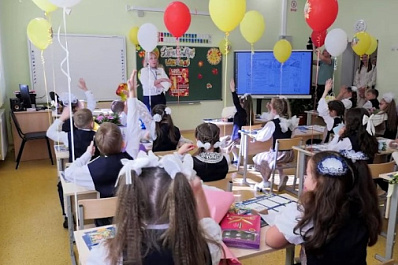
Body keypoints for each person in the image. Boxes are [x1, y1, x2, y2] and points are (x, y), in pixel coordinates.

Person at [86, 152, 222, 265]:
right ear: (182, 199)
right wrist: (198, 191)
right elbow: (208, 223)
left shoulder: (108, 256)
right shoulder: (205, 246)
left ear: (129, 200)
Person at [264, 151, 381, 265]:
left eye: (308, 175)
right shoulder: (362, 205)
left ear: (318, 182)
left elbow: (272, 240)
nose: (305, 179)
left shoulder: (310, 212)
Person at [64, 70, 141, 200]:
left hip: (105, 219)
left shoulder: (91, 169)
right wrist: (132, 94)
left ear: (97, 147)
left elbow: (68, 173)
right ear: (123, 143)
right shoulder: (130, 158)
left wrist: (87, 155)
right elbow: (133, 126)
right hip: (131, 216)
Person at [47, 106, 99, 228]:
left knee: (61, 186)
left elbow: (49, 133)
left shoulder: (68, 136)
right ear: (92, 124)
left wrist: (61, 118)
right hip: (93, 174)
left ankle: (67, 215)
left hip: (76, 175)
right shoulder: (97, 136)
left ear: (74, 124)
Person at [253, 97, 299, 191]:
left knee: (258, 157)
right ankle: (282, 176)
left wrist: (255, 136)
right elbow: (293, 136)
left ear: (273, 109)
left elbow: (262, 137)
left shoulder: (272, 124)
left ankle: (265, 181)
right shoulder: (291, 122)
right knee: (273, 152)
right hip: (289, 155)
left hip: (277, 156)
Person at [226, 79, 254, 163]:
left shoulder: (242, 112)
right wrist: (229, 119)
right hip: (245, 138)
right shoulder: (249, 113)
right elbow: (238, 119)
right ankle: (235, 158)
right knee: (229, 140)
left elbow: (236, 103)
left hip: (238, 138)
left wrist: (233, 91)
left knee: (227, 141)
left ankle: (236, 158)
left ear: (243, 104)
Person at [315, 79, 345, 144]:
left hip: (329, 145)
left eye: (329, 110)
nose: (328, 111)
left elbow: (321, 109)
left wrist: (326, 91)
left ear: (333, 112)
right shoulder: (342, 119)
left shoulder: (331, 120)